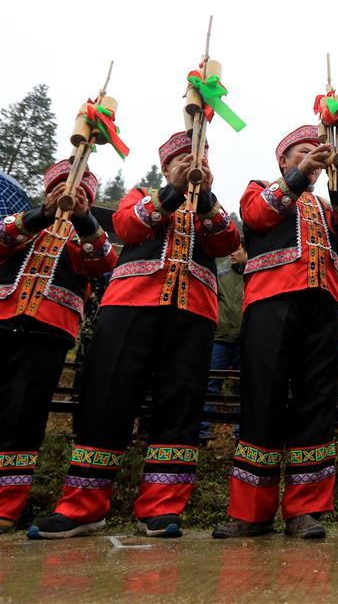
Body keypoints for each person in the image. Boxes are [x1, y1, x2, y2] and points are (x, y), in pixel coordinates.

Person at [29, 132, 241, 539]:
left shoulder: (211, 207)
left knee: (179, 405)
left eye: (195, 158)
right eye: (180, 159)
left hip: (194, 310)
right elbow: (128, 227)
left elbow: (227, 242)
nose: (189, 164)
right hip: (130, 305)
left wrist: (207, 197)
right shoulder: (142, 193)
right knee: (107, 397)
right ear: (165, 167)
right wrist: (171, 191)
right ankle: (82, 507)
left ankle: (161, 507)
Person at [213, 125, 338, 539]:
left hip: (325, 304)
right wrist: (299, 176)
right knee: (263, 399)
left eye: (318, 152)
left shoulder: (325, 202)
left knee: (316, 401)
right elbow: (257, 215)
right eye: (302, 152)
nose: (312, 158)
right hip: (271, 301)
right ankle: (251, 511)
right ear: (283, 160)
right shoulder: (260, 188)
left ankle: (305, 509)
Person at [0, 161, 116, 533]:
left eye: (80, 190)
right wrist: (43, 214)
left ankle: (6, 505)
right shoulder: (23, 222)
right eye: (62, 187)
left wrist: (82, 218)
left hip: (49, 329)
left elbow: (102, 260)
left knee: (24, 415)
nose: (69, 193)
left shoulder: (84, 236)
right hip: (3, 317)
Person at [199, 240, 247, 440]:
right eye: (230, 250)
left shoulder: (254, 278)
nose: (231, 253)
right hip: (220, 338)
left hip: (244, 341)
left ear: (246, 253)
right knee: (211, 383)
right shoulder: (220, 276)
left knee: (242, 387)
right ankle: (203, 430)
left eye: (236, 249)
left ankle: (241, 434)